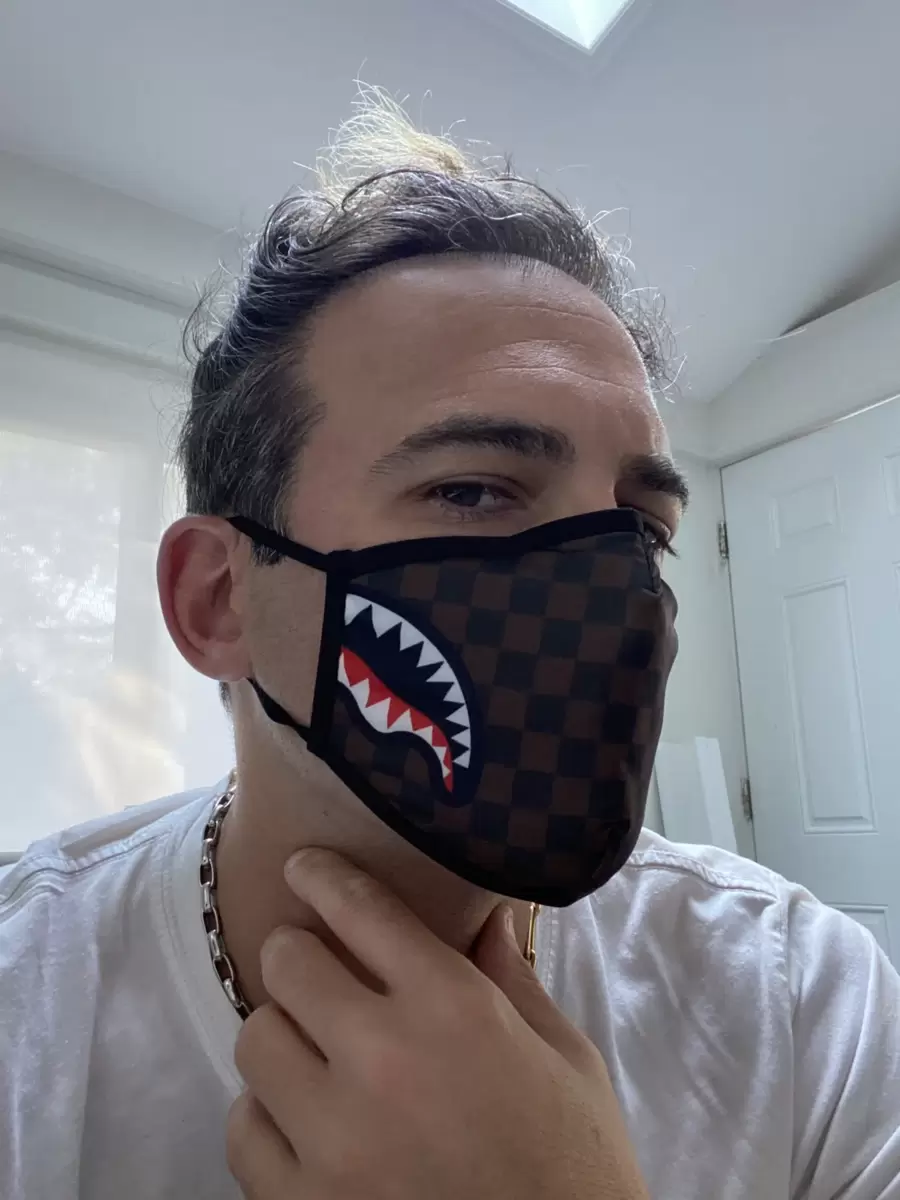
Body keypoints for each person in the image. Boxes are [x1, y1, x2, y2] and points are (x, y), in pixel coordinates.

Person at [2, 94, 899, 1200]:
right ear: (218, 600)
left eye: (642, 530)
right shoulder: (29, 1012)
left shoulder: (803, 1000)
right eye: (474, 490)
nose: (610, 589)